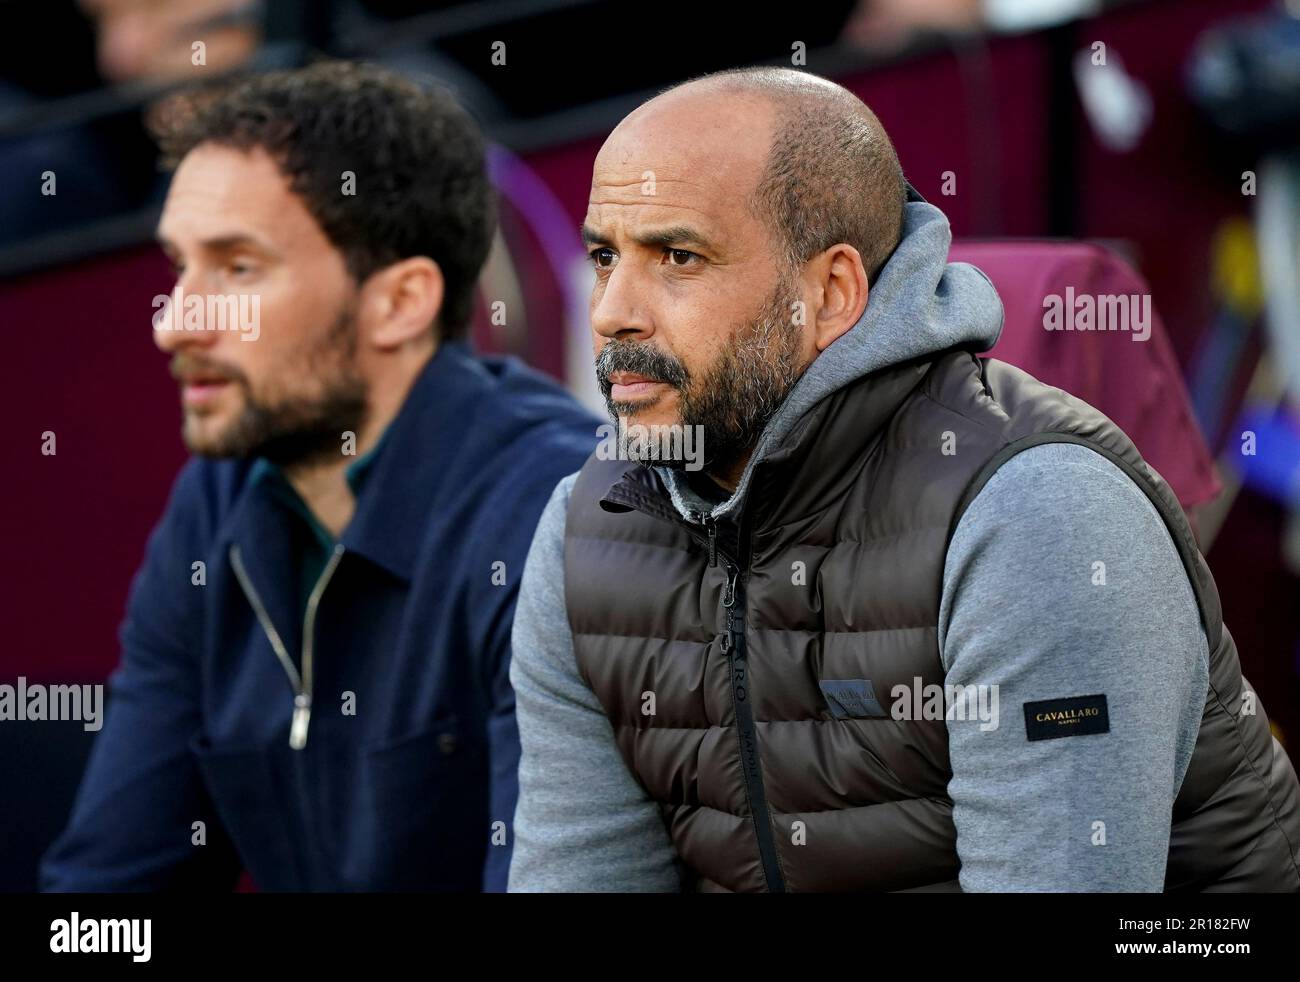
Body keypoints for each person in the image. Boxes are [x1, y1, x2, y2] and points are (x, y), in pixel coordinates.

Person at [507, 66, 1300, 892]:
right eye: (604, 255)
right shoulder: (588, 526)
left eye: (678, 256)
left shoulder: (1038, 516)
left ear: (832, 292)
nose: (609, 311)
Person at [41, 61, 598, 891]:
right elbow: (107, 897)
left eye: (237, 269)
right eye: (179, 268)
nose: (177, 325)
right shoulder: (220, 500)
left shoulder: (555, 516)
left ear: (401, 301)